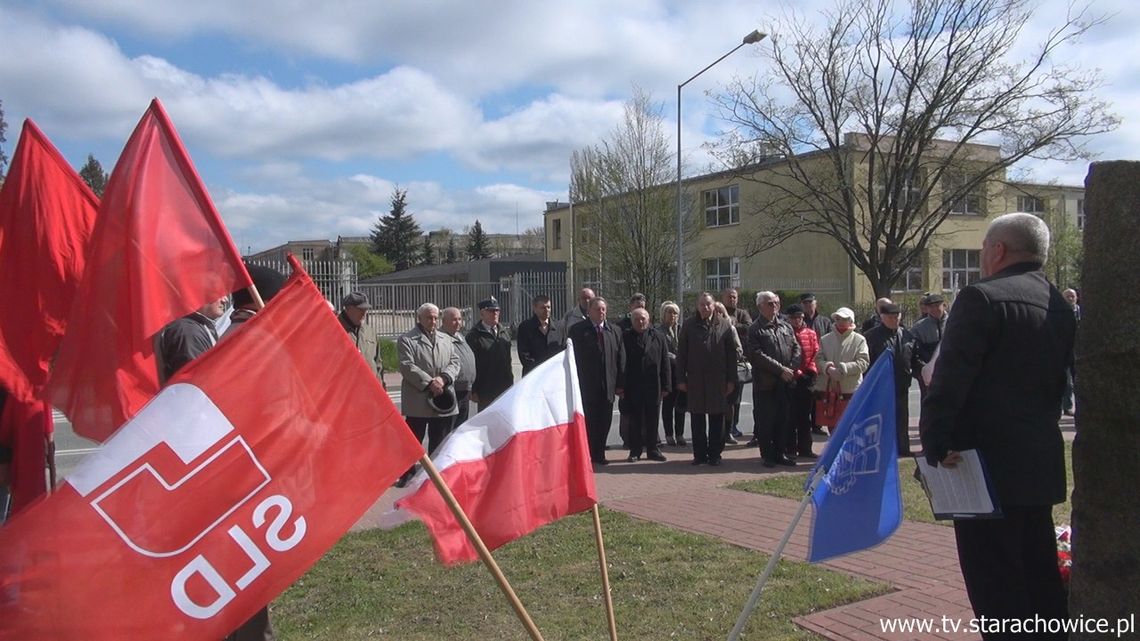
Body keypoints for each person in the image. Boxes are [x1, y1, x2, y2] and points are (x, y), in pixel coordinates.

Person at [920, 213, 1075, 636]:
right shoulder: (1062, 305)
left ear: (998, 250)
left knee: (996, 588)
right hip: (1039, 465)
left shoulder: (981, 298)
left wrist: (935, 442)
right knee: (1040, 580)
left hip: (983, 469)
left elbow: (951, 380)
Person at [397, 303, 461, 487]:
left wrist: (443, 378)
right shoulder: (407, 339)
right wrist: (430, 382)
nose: (432, 321)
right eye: (428, 317)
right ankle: (407, 473)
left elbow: (454, 361)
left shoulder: (445, 338)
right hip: (418, 399)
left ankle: (435, 476)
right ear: (419, 318)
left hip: (442, 397)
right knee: (413, 441)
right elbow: (407, 365)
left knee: (439, 439)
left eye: (435, 317)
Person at [677, 293, 737, 467]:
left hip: (718, 380)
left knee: (717, 419)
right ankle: (699, 455)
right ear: (697, 306)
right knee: (697, 419)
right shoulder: (688, 325)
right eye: (702, 304)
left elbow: (731, 356)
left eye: (708, 304)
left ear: (714, 306)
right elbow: (681, 355)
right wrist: (680, 379)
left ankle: (715, 455)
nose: (705, 307)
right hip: (695, 380)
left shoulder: (724, 324)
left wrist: (731, 380)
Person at [745, 291, 801, 468]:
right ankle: (767, 455)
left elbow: (796, 348)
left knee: (783, 420)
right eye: (770, 303)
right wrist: (780, 369)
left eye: (777, 302)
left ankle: (780, 453)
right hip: (766, 383)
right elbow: (756, 355)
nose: (774, 306)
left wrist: (790, 368)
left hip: (785, 382)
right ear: (760, 306)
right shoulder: (755, 329)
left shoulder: (786, 326)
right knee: (766, 421)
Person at [568, 297, 624, 465]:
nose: (601, 312)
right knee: (589, 422)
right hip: (587, 386)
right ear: (589, 311)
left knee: (605, 420)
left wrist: (620, 383)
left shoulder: (614, 330)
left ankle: (599, 453)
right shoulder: (577, 330)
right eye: (597, 309)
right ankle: (588, 454)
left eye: (603, 309)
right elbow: (572, 358)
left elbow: (621, 358)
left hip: (608, 385)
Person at [863, 302, 917, 456]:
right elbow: (868, 363)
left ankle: (903, 448)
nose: (894, 320)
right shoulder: (871, 337)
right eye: (891, 317)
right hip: (881, 385)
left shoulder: (907, 335)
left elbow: (913, 357)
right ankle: (882, 449)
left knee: (902, 417)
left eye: (897, 316)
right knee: (881, 418)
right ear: (882, 318)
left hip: (902, 383)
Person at [619, 308, 670, 462]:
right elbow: (620, 362)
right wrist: (620, 386)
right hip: (632, 385)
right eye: (637, 319)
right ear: (632, 321)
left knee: (653, 418)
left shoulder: (658, 337)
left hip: (654, 385)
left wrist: (666, 385)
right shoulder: (625, 337)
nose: (640, 322)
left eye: (643, 319)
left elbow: (665, 362)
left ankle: (653, 449)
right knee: (635, 419)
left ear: (648, 320)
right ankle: (635, 450)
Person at [813, 307, 869, 433]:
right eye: (838, 318)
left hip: (850, 390)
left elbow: (863, 362)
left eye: (844, 319)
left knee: (851, 429)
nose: (840, 321)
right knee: (833, 428)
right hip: (829, 391)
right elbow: (817, 360)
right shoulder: (825, 339)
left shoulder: (859, 340)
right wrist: (828, 368)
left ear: (851, 321)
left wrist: (843, 369)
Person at [155, 296, 228, 384]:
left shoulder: (198, 327)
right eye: (219, 294)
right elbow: (196, 382)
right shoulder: (189, 332)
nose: (225, 300)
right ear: (198, 294)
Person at [784, 303, 819, 459]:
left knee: (805, 417)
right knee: (790, 417)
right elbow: (785, 356)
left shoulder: (810, 333)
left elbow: (816, 352)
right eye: (793, 318)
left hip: (808, 379)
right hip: (791, 378)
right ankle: (790, 448)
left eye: (799, 317)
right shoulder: (785, 333)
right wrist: (797, 372)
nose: (797, 320)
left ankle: (805, 448)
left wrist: (811, 370)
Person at [467, 297, 513, 410]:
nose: (495, 313)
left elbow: (508, 360)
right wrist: (474, 389)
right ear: (482, 313)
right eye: (491, 311)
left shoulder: (503, 332)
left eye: (497, 310)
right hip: (485, 389)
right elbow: (471, 365)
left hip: (504, 386)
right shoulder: (474, 335)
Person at [336, 291, 386, 390]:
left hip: (370, 390)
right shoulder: (334, 329)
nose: (364, 313)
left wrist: (381, 387)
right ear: (348, 308)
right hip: (346, 392)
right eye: (360, 309)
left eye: (366, 309)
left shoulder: (369, 332)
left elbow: (378, 363)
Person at [721, 288, 753, 442]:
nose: (732, 299)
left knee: (736, 398)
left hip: (737, 362)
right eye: (729, 297)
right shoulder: (718, 311)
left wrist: (732, 324)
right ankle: (723, 428)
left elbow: (748, 328)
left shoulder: (742, 313)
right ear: (723, 298)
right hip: (720, 362)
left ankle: (734, 425)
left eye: (734, 297)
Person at [799, 293, 832, 434]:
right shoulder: (799, 320)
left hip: (821, 363)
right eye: (805, 303)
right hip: (804, 364)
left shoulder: (825, 321)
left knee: (819, 396)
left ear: (815, 304)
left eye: (810, 303)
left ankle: (817, 425)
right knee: (806, 397)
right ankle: (804, 424)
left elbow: (831, 339)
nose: (808, 306)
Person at [656, 301, 686, 446]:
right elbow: (660, 351)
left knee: (681, 405)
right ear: (663, 314)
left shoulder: (682, 329)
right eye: (670, 312)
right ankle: (669, 434)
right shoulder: (659, 331)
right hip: (668, 372)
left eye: (675, 313)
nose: (673, 316)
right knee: (668, 405)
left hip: (682, 373)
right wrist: (675, 357)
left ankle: (680, 434)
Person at [441, 307, 477, 428]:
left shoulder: (460, 336)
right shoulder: (441, 338)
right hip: (452, 390)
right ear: (444, 321)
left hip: (465, 390)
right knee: (448, 428)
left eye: (460, 319)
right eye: (454, 320)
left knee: (460, 428)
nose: (458, 323)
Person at [516, 293, 565, 376]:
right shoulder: (525, 327)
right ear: (534, 309)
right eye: (542, 307)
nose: (546, 310)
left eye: (548, 307)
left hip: (554, 374)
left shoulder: (559, 327)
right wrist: (540, 369)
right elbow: (524, 354)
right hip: (533, 375)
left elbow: (562, 350)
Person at [910, 293, 947, 399]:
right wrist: (923, 368)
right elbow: (914, 353)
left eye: (937, 305)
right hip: (928, 375)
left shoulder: (954, 323)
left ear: (944, 305)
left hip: (951, 373)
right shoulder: (919, 328)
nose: (934, 309)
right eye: (931, 307)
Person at [1061, 288, 1080, 416]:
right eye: (1067, 296)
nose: (1070, 298)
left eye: (1072, 296)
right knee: (1067, 382)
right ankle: (1067, 407)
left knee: (1080, 380)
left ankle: (1081, 407)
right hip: (1064, 351)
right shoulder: (1059, 313)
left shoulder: (1082, 312)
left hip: (1079, 351)